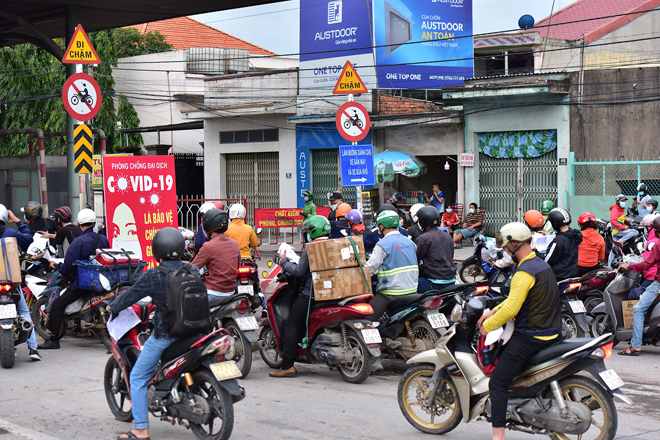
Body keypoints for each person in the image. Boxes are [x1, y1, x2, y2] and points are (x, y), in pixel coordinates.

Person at [108, 227, 199, 440]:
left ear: (157, 250)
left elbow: (129, 297)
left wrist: (113, 306)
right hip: (197, 332)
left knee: (138, 376)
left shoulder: (154, 275)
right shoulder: (192, 270)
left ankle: (140, 429)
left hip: (167, 335)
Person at [478, 222, 561, 440]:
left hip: (532, 336)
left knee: (497, 382)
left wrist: (487, 327)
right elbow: (513, 300)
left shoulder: (523, 272)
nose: (505, 252)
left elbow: (512, 308)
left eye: (506, 248)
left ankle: (498, 436)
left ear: (514, 244)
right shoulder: (540, 264)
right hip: (553, 332)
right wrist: (492, 311)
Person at [38, 209, 109, 349]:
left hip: (83, 283)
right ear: (94, 222)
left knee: (58, 304)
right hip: (102, 281)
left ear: (80, 224)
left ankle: (53, 340)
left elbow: (67, 267)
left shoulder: (79, 242)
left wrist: (57, 266)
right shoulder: (103, 239)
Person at [270, 215, 331, 378]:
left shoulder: (310, 248)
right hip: (333, 293)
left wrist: (283, 261)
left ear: (312, 231)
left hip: (311, 294)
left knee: (291, 325)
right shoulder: (334, 244)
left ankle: (288, 365)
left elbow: (299, 271)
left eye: (308, 232)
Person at [0, 204, 41, 361]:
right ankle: (33, 349)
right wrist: (18, 222)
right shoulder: (10, 232)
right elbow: (29, 239)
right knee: (24, 312)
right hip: (11, 280)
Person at [618, 216, 660, 356]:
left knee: (638, 310)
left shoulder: (658, 245)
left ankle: (635, 345)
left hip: (658, 284)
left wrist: (628, 266)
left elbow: (647, 264)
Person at [366, 210, 418, 321]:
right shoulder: (410, 242)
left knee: (367, 318)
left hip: (390, 293)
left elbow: (370, 269)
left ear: (381, 227)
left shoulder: (382, 244)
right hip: (413, 290)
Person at [192, 209, 240, 299]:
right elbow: (237, 266)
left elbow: (193, 268)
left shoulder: (208, 246)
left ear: (208, 224)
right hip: (231, 291)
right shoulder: (234, 243)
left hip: (213, 293)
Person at [416, 206, 456, 293]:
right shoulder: (447, 236)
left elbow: (415, 258)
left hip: (433, 283)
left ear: (422, 221)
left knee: (409, 288)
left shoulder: (423, 238)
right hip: (451, 281)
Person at [544, 208, 583, 280]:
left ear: (555, 223)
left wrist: (535, 251)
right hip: (572, 273)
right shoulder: (574, 234)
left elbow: (547, 260)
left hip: (559, 275)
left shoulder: (558, 241)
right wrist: (550, 234)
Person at [608, 194, 638, 267]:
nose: (624, 202)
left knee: (613, 251)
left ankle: (609, 267)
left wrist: (626, 219)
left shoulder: (621, 209)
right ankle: (621, 241)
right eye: (622, 201)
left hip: (616, 232)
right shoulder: (615, 210)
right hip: (617, 231)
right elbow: (613, 222)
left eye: (624, 201)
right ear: (617, 201)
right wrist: (623, 227)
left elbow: (621, 218)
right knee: (635, 232)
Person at [577, 212, 605, 276]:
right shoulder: (600, 238)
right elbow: (601, 258)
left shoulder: (578, 235)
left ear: (581, 225)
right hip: (593, 268)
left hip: (578, 268)